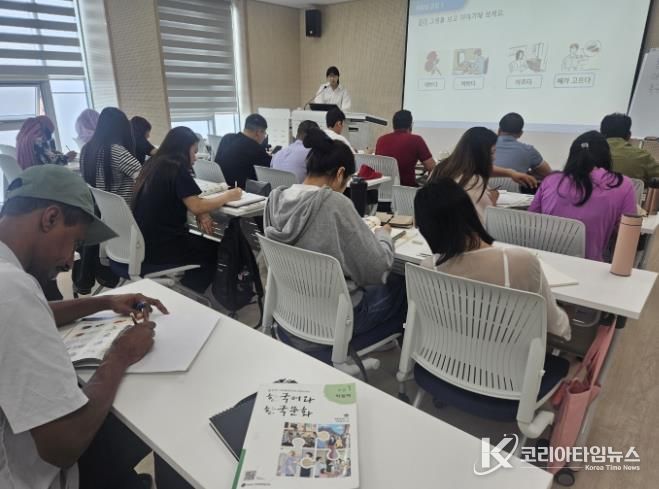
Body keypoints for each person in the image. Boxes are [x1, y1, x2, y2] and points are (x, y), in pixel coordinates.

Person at [0, 164, 177, 489]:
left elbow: (32, 314)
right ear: (50, 218)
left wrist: (104, 302)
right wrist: (120, 355)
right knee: (164, 426)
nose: (70, 260)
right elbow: (63, 444)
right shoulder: (11, 290)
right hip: (32, 474)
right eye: (75, 242)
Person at [264, 128, 406, 351]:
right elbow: (376, 269)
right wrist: (383, 236)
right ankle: (371, 344)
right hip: (336, 320)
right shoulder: (334, 204)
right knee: (401, 284)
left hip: (290, 314)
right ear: (340, 173)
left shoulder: (275, 199)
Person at [415, 177, 571, 340]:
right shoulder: (520, 262)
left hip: (451, 352)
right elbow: (556, 327)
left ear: (426, 229)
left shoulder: (429, 267)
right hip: (511, 354)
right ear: (470, 212)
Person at [132, 127, 242, 294]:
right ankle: (190, 294)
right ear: (183, 149)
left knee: (201, 243)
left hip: (144, 243)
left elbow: (188, 200)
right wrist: (229, 195)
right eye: (194, 151)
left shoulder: (153, 163)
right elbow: (196, 205)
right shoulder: (176, 168)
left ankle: (186, 288)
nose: (195, 157)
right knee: (212, 249)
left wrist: (202, 212)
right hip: (163, 247)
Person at [529, 131, 637, 261]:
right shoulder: (622, 184)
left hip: (544, 262)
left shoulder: (550, 180)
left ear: (572, 155)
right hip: (591, 266)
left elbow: (531, 221)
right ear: (606, 156)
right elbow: (627, 236)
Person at [428, 127, 536, 222]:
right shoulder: (474, 182)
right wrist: (492, 200)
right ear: (481, 155)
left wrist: (510, 173)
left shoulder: (440, 169)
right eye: (492, 152)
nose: (494, 157)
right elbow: (485, 221)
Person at [80, 107, 142, 204]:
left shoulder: (86, 150)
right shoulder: (116, 152)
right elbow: (145, 179)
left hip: (102, 209)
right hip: (126, 209)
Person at [375, 110, 436, 186]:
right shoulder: (416, 140)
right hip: (406, 189)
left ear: (394, 124)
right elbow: (432, 168)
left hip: (382, 189)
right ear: (410, 125)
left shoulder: (381, 140)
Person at [214, 113, 271, 189]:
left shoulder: (227, 138)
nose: (264, 136)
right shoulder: (255, 148)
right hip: (241, 191)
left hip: (220, 186)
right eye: (264, 133)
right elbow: (271, 167)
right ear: (258, 133)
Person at [600, 113, 659, 185]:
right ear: (628, 135)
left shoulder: (589, 153)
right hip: (630, 192)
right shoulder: (642, 156)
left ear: (601, 133)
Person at [495, 112, 552, 179]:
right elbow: (548, 173)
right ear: (520, 134)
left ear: (499, 130)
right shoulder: (529, 150)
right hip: (514, 185)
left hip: (486, 185)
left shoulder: (485, 146)